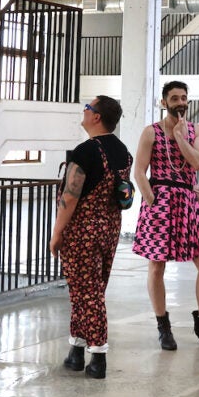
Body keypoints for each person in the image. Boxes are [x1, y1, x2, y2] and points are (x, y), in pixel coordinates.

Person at [131, 80, 199, 349]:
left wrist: (178, 136)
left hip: (188, 202)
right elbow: (139, 171)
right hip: (160, 201)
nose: (180, 102)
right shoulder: (150, 132)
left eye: (183, 97)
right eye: (174, 98)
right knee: (156, 266)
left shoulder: (198, 130)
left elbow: (198, 161)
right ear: (164, 102)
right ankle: (163, 327)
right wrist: (151, 200)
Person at [49, 95, 130, 378]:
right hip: (109, 229)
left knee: (88, 293)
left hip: (83, 233)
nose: (84, 112)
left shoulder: (85, 152)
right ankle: (76, 348)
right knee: (87, 291)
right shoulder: (122, 150)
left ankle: (98, 355)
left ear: (96, 117)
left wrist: (57, 233)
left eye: (87, 108)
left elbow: (69, 198)